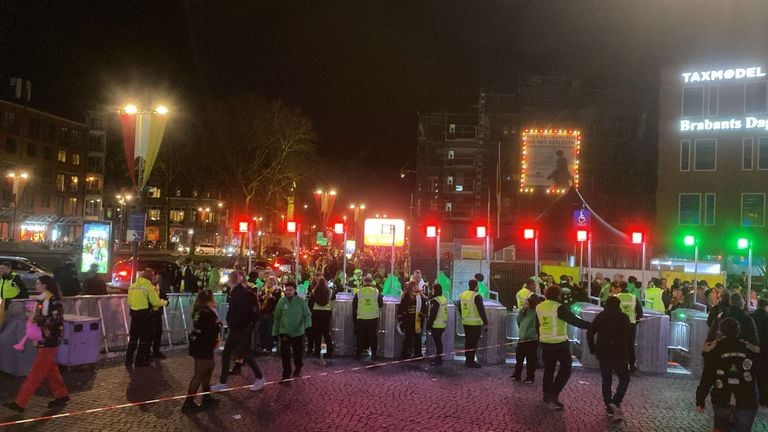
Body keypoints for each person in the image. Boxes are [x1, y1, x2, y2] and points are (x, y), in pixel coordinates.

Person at [3, 276, 68, 413]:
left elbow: (54, 321)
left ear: (45, 285)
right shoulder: (45, 299)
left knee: (36, 373)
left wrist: (35, 319)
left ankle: (20, 402)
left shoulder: (52, 301)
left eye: (38, 283)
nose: (36, 285)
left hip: (49, 341)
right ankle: (61, 394)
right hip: (47, 340)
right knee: (51, 369)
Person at [696, 318, 759, 432]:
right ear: (738, 331)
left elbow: (707, 377)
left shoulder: (715, 349)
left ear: (720, 331)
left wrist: (700, 400)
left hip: (722, 397)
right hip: (746, 398)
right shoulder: (748, 349)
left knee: (721, 428)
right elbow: (760, 372)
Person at [536, 285, 591, 410]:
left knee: (549, 370)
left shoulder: (539, 307)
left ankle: (547, 395)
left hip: (545, 342)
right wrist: (592, 326)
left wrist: (541, 339)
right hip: (559, 342)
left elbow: (537, 324)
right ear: (558, 295)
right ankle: (553, 394)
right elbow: (574, 321)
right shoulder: (558, 308)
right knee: (566, 368)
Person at [211, 272, 265, 392]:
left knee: (243, 353)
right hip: (240, 327)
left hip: (239, 328)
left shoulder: (238, 293)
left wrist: (233, 322)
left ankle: (259, 377)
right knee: (231, 353)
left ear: (230, 281)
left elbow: (240, 311)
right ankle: (223, 382)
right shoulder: (241, 291)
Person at [587, 296, 631, 419]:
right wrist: (630, 354)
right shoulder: (623, 318)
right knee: (624, 378)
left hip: (604, 352)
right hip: (620, 353)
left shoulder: (601, 317)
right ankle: (616, 401)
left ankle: (609, 405)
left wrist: (593, 348)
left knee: (606, 379)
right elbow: (629, 337)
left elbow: (590, 332)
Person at [182, 290, 222, 412]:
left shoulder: (198, 311)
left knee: (208, 369)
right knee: (200, 373)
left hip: (200, 344)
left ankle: (206, 396)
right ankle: (188, 402)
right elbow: (211, 329)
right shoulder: (207, 312)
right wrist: (219, 325)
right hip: (204, 344)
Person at [126, 269, 167, 367]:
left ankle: (128, 360)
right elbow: (155, 302)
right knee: (144, 339)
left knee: (133, 338)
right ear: (150, 277)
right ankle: (140, 361)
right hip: (145, 315)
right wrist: (165, 302)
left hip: (134, 315)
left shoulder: (133, 286)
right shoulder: (148, 287)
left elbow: (129, 301)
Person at [273, 281, 312, 380]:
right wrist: (275, 332)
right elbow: (277, 317)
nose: (288, 292)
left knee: (297, 353)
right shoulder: (281, 301)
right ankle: (286, 374)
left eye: (290, 290)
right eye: (286, 290)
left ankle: (298, 367)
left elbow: (307, 315)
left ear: (295, 290)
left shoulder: (300, 301)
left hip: (298, 332)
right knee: (285, 354)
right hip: (284, 331)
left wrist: (308, 327)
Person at [612, 281, 643, 373]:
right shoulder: (634, 298)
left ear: (619, 287)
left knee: (617, 345)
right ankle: (632, 366)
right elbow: (640, 313)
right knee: (630, 345)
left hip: (618, 325)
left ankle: (616, 365)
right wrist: (634, 321)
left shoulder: (616, 297)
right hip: (631, 325)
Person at [352, 276, 384, 360]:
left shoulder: (359, 292)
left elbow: (354, 306)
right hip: (373, 317)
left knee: (360, 336)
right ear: (372, 282)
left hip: (361, 317)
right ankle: (374, 355)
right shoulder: (376, 292)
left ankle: (358, 354)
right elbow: (381, 304)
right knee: (373, 336)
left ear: (364, 282)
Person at [459, 279, 488, 368]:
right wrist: (485, 322)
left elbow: (459, 308)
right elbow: (481, 310)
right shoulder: (477, 296)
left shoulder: (463, 295)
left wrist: (463, 316)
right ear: (476, 286)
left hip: (466, 322)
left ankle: (468, 360)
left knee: (468, 342)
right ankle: (471, 362)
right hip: (475, 323)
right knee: (473, 343)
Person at [512, 293, 539, 384]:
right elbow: (519, 322)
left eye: (526, 304)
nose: (524, 305)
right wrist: (521, 312)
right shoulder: (524, 312)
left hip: (531, 340)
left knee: (530, 359)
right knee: (519, 357)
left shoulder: (535, 313)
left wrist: (530, 335)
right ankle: (517, 374)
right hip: (522, 339)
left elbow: (534, 326)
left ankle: (530, 376)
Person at [398, 281, 428, 360]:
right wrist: (401, 319)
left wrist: (421, 315)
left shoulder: (420, 296)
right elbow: (401, 308)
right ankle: (406, 353)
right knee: (408, 337)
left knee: (418, 337)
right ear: (410, 287)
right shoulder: (405, 296)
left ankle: (417, 353)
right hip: (408, 320)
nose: (415, 287)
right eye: (414, 286)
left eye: (416, 286)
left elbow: (425, 308)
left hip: (418, 320)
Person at [307, 276, 334, 358]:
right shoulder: (329, 291)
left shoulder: (314, 291)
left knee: (317, 333)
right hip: (326, 312)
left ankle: (317, 351)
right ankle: (329, 350)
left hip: (317, 312)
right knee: (326, 332)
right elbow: (333, 299)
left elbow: (310, 303)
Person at [750, 298, 768, 407]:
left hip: (752, 350)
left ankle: (752, 397)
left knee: (752, 374)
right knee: (764, 376)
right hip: (765, 351)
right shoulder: (766, 318)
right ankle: (764, 399)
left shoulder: (751, 317)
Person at [257, 276, 281, 354]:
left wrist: (272, 297)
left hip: (271, 313)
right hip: (263, 312)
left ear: (274, 282)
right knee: (262, 330)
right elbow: (259, 298)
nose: (269, 283)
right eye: (268, 281)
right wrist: (263, 297)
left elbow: (278, 300)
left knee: (269, 330)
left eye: (271, 282)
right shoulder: (263, 290)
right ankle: (262, 346)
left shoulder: (277, 290)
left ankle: (269, 347)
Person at [427, 283, 448, 366]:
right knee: (439, 343)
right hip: (442, 324)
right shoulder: (443, 298)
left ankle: (438, 360)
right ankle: (438, 359)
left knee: (438, 343)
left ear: (434, 290)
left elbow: (433, 314)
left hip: (436, 325)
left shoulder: (435, 301)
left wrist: (429, 325)